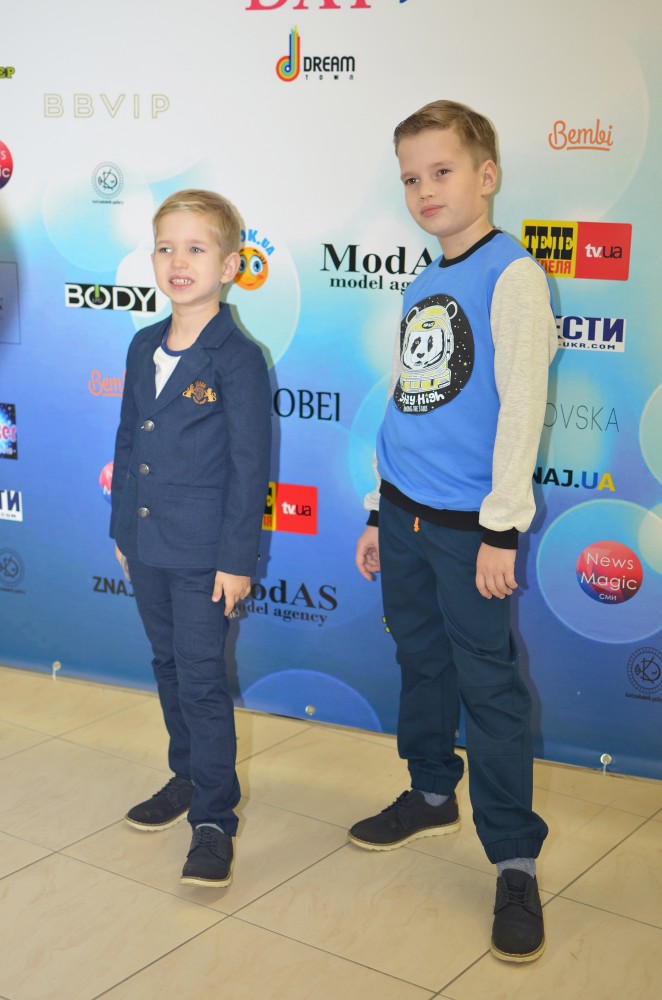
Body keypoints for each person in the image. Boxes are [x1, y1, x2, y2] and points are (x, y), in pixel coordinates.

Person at [350, 101, 556, 962]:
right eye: (411, 178)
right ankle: (432, 792)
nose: (424, 190)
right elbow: (409, 398)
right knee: (421, 661)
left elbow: (522, 408)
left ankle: (513, 859)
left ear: (486, 175)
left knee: (490, 687)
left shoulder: (514, 276)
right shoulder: (423, 278)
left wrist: (502, 529)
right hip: (404, 512)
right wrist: (377, 506)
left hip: (471, 529)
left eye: (441, 171)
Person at [110, 189, 271, 888]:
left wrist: (237, 560)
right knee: (168, 665)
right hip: (146, 544)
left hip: (206, 556)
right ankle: (187, 776)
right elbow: (127, 439)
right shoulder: (142, 344)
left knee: (202, 678)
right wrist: (122, 528)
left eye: (196, 248)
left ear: (229, 265)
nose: (179, 261)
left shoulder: (238, 357)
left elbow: (249, 467)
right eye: (166, 248)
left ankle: (214, 818)